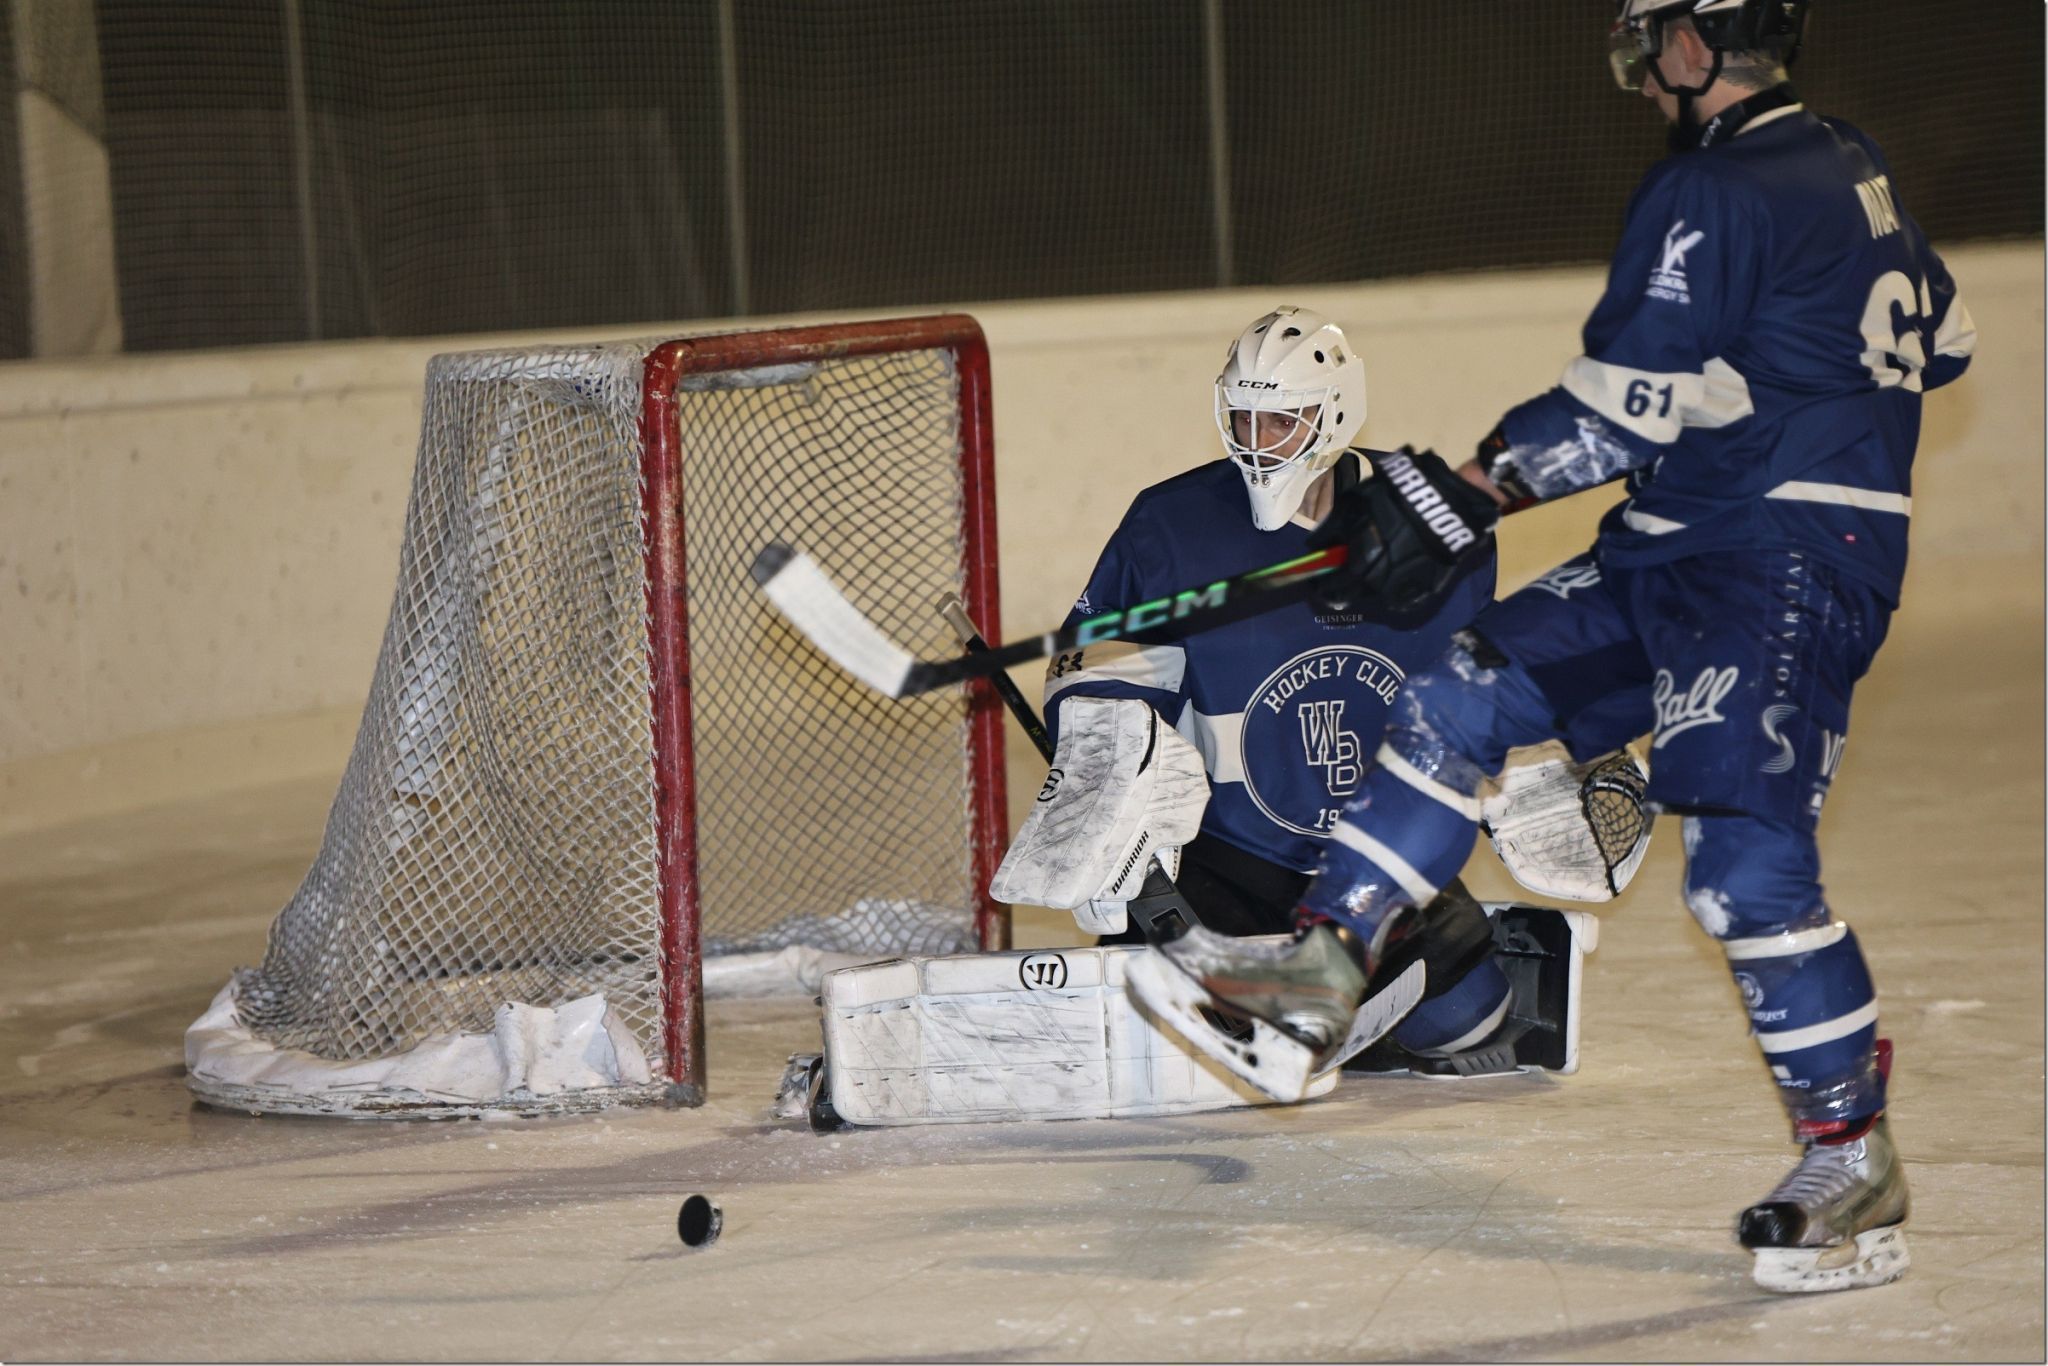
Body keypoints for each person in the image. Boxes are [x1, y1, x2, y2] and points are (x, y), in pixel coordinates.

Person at [1130, 0, 1975, 1295]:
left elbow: (1617, 408)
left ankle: (1849, 1152)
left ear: (1698, 44)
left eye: (1651, 47)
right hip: (1675, 547)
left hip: (1775, 569)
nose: (1644, 80)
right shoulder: (1848, 162)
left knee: (1744, 878)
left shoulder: (1712, 186)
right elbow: (1941, 337)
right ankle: (1320, 964)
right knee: (1452, 695)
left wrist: (1462, 491)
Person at [992, 306, 1640, 1079]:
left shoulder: (1428, 523)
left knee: (1472, 1027)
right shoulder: (1172, 525)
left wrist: (1553, 751)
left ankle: (1351, 1006)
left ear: (1335, 416)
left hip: (1376, 850)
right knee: (1167, 1040)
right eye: (1244, 419)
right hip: (1227, 852)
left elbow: (1493, 673)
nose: (1259, 443)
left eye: (1282, 422)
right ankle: (1303, 1005)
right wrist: (1109, 788)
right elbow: (1101, 670)